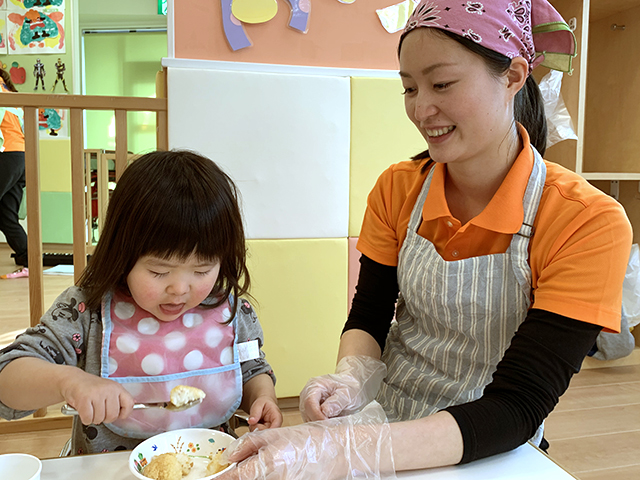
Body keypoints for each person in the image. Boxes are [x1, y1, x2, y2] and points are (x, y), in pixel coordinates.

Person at [216, 1, 633, 478]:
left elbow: (518, 405)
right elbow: (369, 314)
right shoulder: (398, 188)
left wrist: (347, 452)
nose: (420, 108)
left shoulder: (585, 220)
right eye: (409, 87)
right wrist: (353, 378)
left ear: (514, 76)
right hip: (384, 417)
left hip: (490, 442)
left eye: (441, 84)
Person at [0, 150, 283, 455]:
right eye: (158, 271)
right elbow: (7, 381)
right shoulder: (87, 311)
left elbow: (250, 367)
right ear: (123, 254)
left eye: (202, 270)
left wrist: (261, 398)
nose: (179, 288)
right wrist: (69, 381)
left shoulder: (231, 311)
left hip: (209, 467)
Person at [0, 66, 28, 279]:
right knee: (6, 214)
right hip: (20, 157)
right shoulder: (12, 96)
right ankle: (27, 257)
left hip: (5, 155)